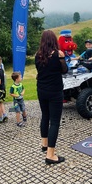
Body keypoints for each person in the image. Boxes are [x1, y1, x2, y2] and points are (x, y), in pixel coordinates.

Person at [35, 30, 68, 165]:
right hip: (54, 91)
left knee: (45, 116)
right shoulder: (58, 54)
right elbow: (65, 70)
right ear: (54, 40)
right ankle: (50, 155)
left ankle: (44, 144)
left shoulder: (38, 55)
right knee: (54, 122)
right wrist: (62, 59)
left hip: (41, 90)